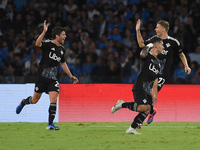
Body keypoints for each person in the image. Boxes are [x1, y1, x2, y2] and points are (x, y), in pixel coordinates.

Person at [16, 20, 79, 130]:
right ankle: (24, 102)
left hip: (53, 79)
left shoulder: (62, 50)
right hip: (42, 77)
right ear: (57, 35)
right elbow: (37, 44)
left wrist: (71, 76)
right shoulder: (49, 44)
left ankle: (50, 124)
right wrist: (44, 32)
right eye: (63, 34)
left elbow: (63, 63)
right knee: (35, 100)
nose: (65, 36)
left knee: (54, 99)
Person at [136, 19, 191, 125]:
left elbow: (181, 54)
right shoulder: (154, 40)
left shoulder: (174, 42)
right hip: (151, 73)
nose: (155, 29)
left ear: (163, 29)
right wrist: (138, 31)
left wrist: (186, 66)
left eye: (157, 27)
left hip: (162, 75)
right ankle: (151, 111)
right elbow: (141, 45)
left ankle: (139, 121)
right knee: (146, 94)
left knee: (151, 94)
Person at [111, 36, 164, 134]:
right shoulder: (147, 56)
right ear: (156, 46)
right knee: (143, 107)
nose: (163, 47)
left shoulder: (158, 63)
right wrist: (149, 45)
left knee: (148, 109)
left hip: (148, 90)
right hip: (140, 86)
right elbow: (142, 54)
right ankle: (121, 104)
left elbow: (155, 79)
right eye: (162, 45)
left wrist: (154, 93)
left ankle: (132, 128)